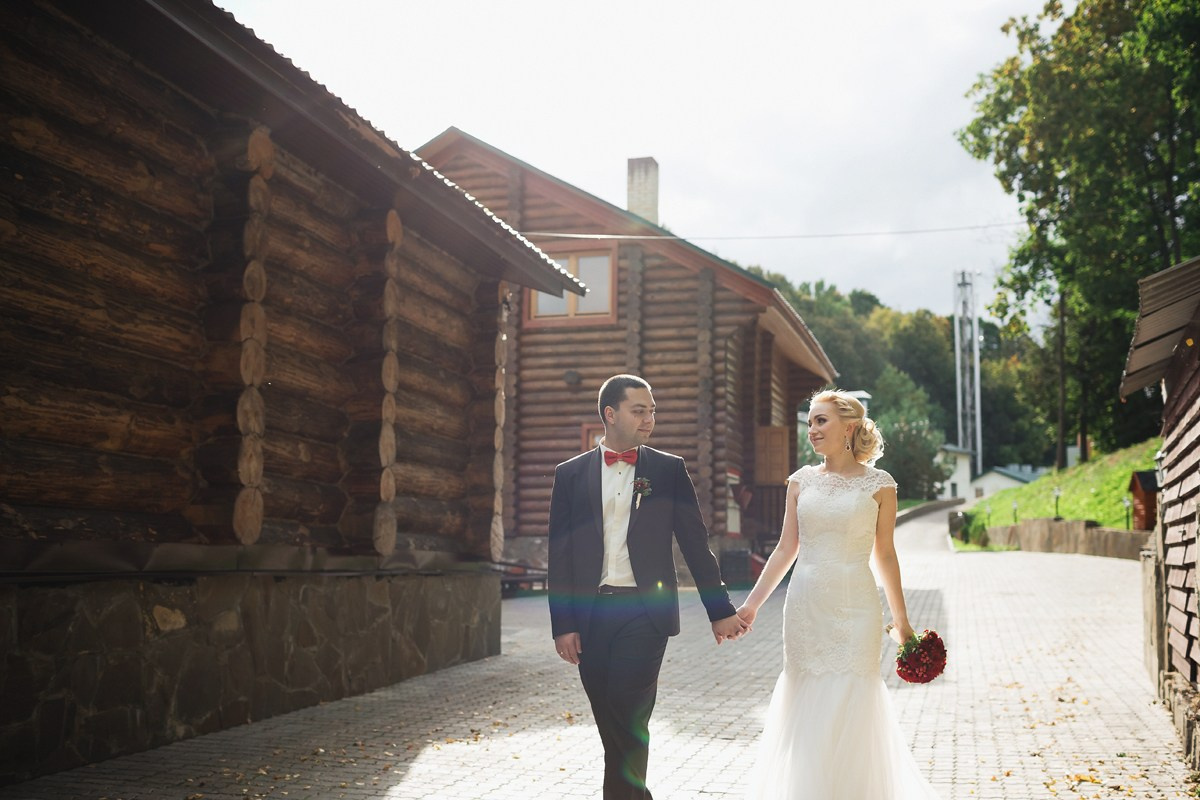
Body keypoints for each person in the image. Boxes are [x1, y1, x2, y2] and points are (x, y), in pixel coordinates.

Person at [548, 374, 749, 800]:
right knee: (610, 719)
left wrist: (720, 611)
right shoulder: (569, 475)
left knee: (627, 713)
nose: (649, 418)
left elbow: (695, 543)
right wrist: (562, 623)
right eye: (640, 410)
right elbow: (559, 554)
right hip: (589, 615)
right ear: (610, 413)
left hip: (645, 612)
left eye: (652, 409)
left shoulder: (668, 470)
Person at [737, 389, 940, 799]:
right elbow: (785, 548)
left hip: (856, 606)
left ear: (848, 427)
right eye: (809, 421)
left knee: (853, 696)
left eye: (820, 420)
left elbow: (885, 554)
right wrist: (751, 605)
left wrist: (902, 625)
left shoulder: (880, 485)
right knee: (805, 692)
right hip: (806, 605)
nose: (811, 430)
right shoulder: (800, 482)